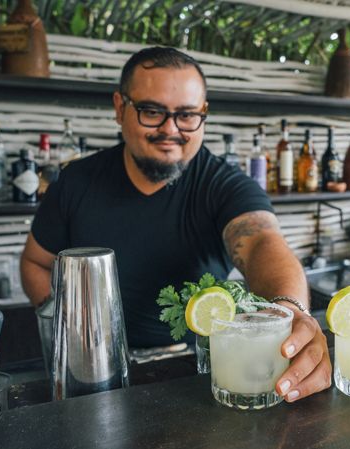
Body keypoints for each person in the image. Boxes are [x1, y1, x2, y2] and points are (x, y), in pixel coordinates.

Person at [20, 46, 331, 403]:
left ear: (204, 114)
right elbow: (35, 263)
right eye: (152, 112)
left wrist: (289, 309)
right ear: (120, 108)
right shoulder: (75, 182)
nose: (171, 130)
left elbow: (262, 241)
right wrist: (69, 334)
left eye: (186, 115)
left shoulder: (223, 184)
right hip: (92, 376)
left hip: (193, 372)